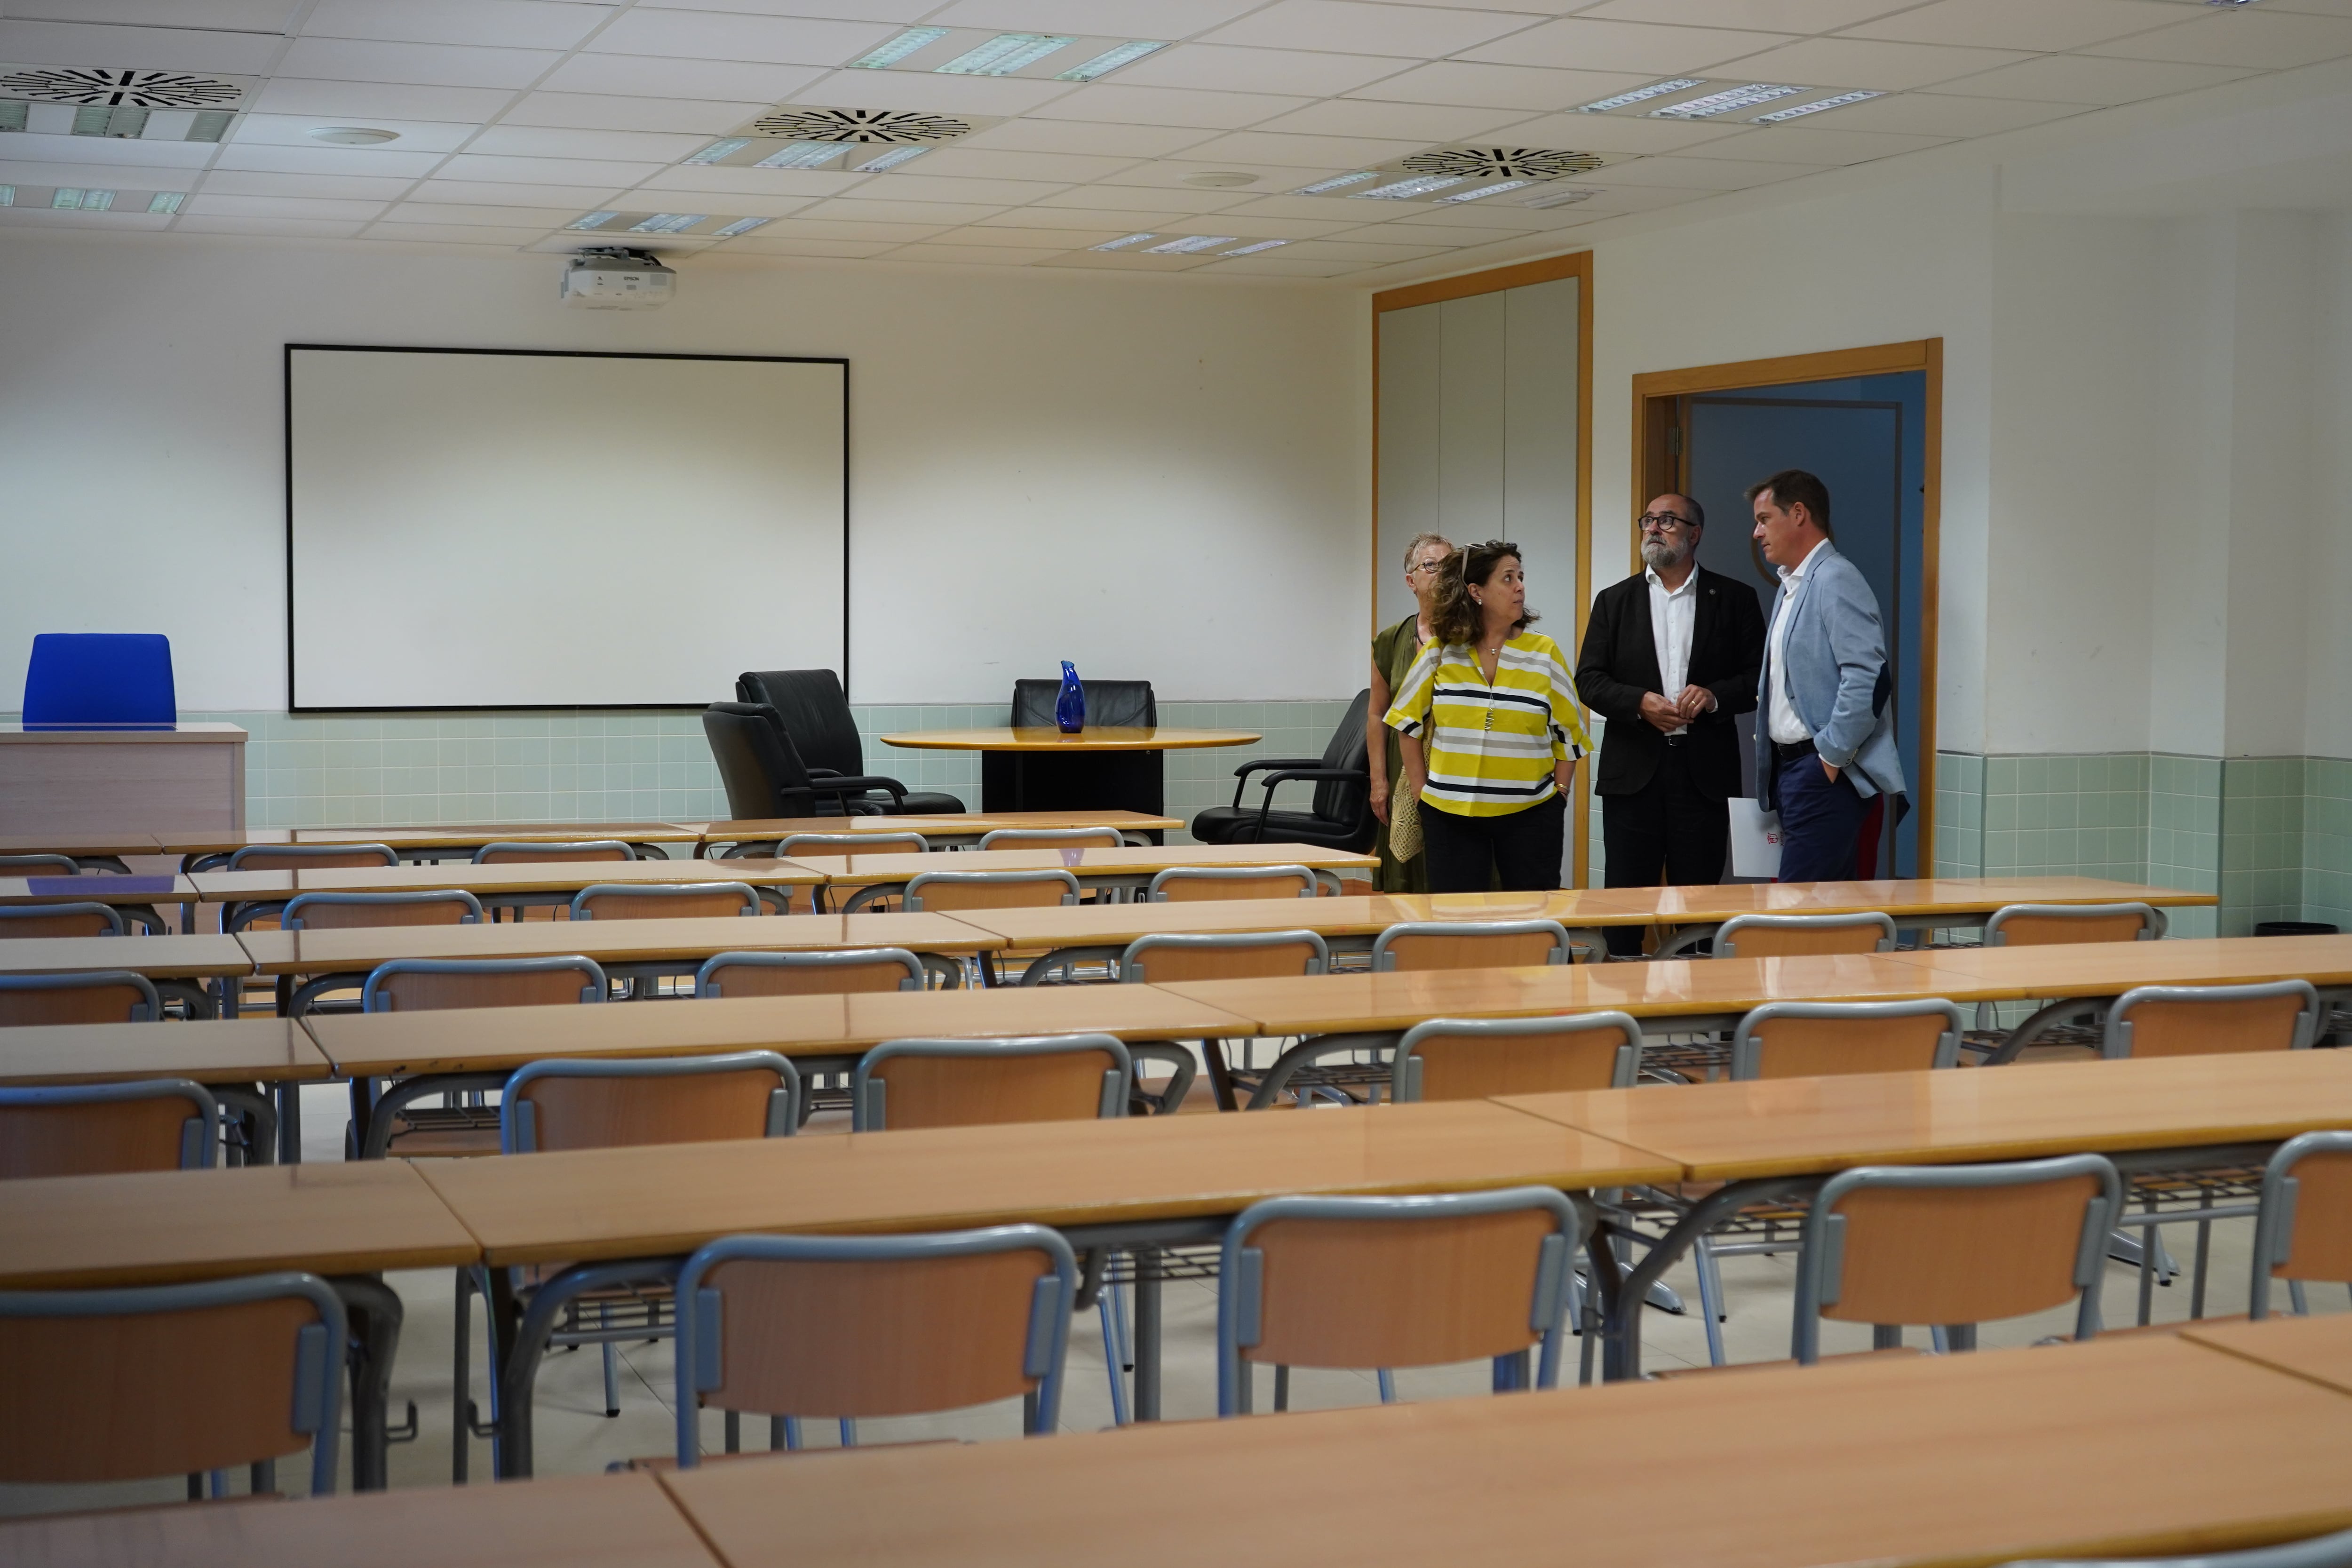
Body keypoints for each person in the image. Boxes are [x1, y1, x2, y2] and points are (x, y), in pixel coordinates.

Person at [1575, 493, 1765, 954]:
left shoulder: (1735, 599)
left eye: (1667, 521)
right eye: (1648, 520)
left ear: (1694, 534)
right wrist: (1638, 702)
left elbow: (1760, 675)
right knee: (1625, 901)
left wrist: (1715, 695)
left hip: (1702, 775)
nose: (1653, 529)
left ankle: (1692, 1008)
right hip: (1633, 774)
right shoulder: (1613, 601)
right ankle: (1622, 1009)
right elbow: (1589, 680)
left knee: (1695, 906)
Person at [1383, 540, 1591, 894]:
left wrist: (1560, 794)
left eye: (1521, 577)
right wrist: (1423, 796)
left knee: (1535, 921)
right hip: (1450, 816)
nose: (1520, 586)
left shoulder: (1544, 652)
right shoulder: (1441, 650)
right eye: (1508, 578)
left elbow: (1570, 736)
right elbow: (1406, 725)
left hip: (1531, 815)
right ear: (1476, 591)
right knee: (1457, 926)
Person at [1748, 469, 1907, 882]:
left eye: (1764, 519)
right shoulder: (1790, 585)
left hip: (1823, 774)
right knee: (1806, 911)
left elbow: (1870, 678)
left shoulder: (1836, 578)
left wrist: (1830, 757)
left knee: (1803, 916)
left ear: (1798, 513)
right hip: (1794, 773)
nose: (1756, 532)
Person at [1368, 531, 1453, 892]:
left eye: (1449, 566)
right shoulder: (1391, 639)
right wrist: (1378, 781)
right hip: (1401, 765)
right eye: (1431, 566)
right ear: (1411, 581)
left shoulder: (1474, 636)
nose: (1441, 573)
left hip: (1454, 766)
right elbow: (1376, 713)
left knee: (1453, 870)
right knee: (1405, 871)